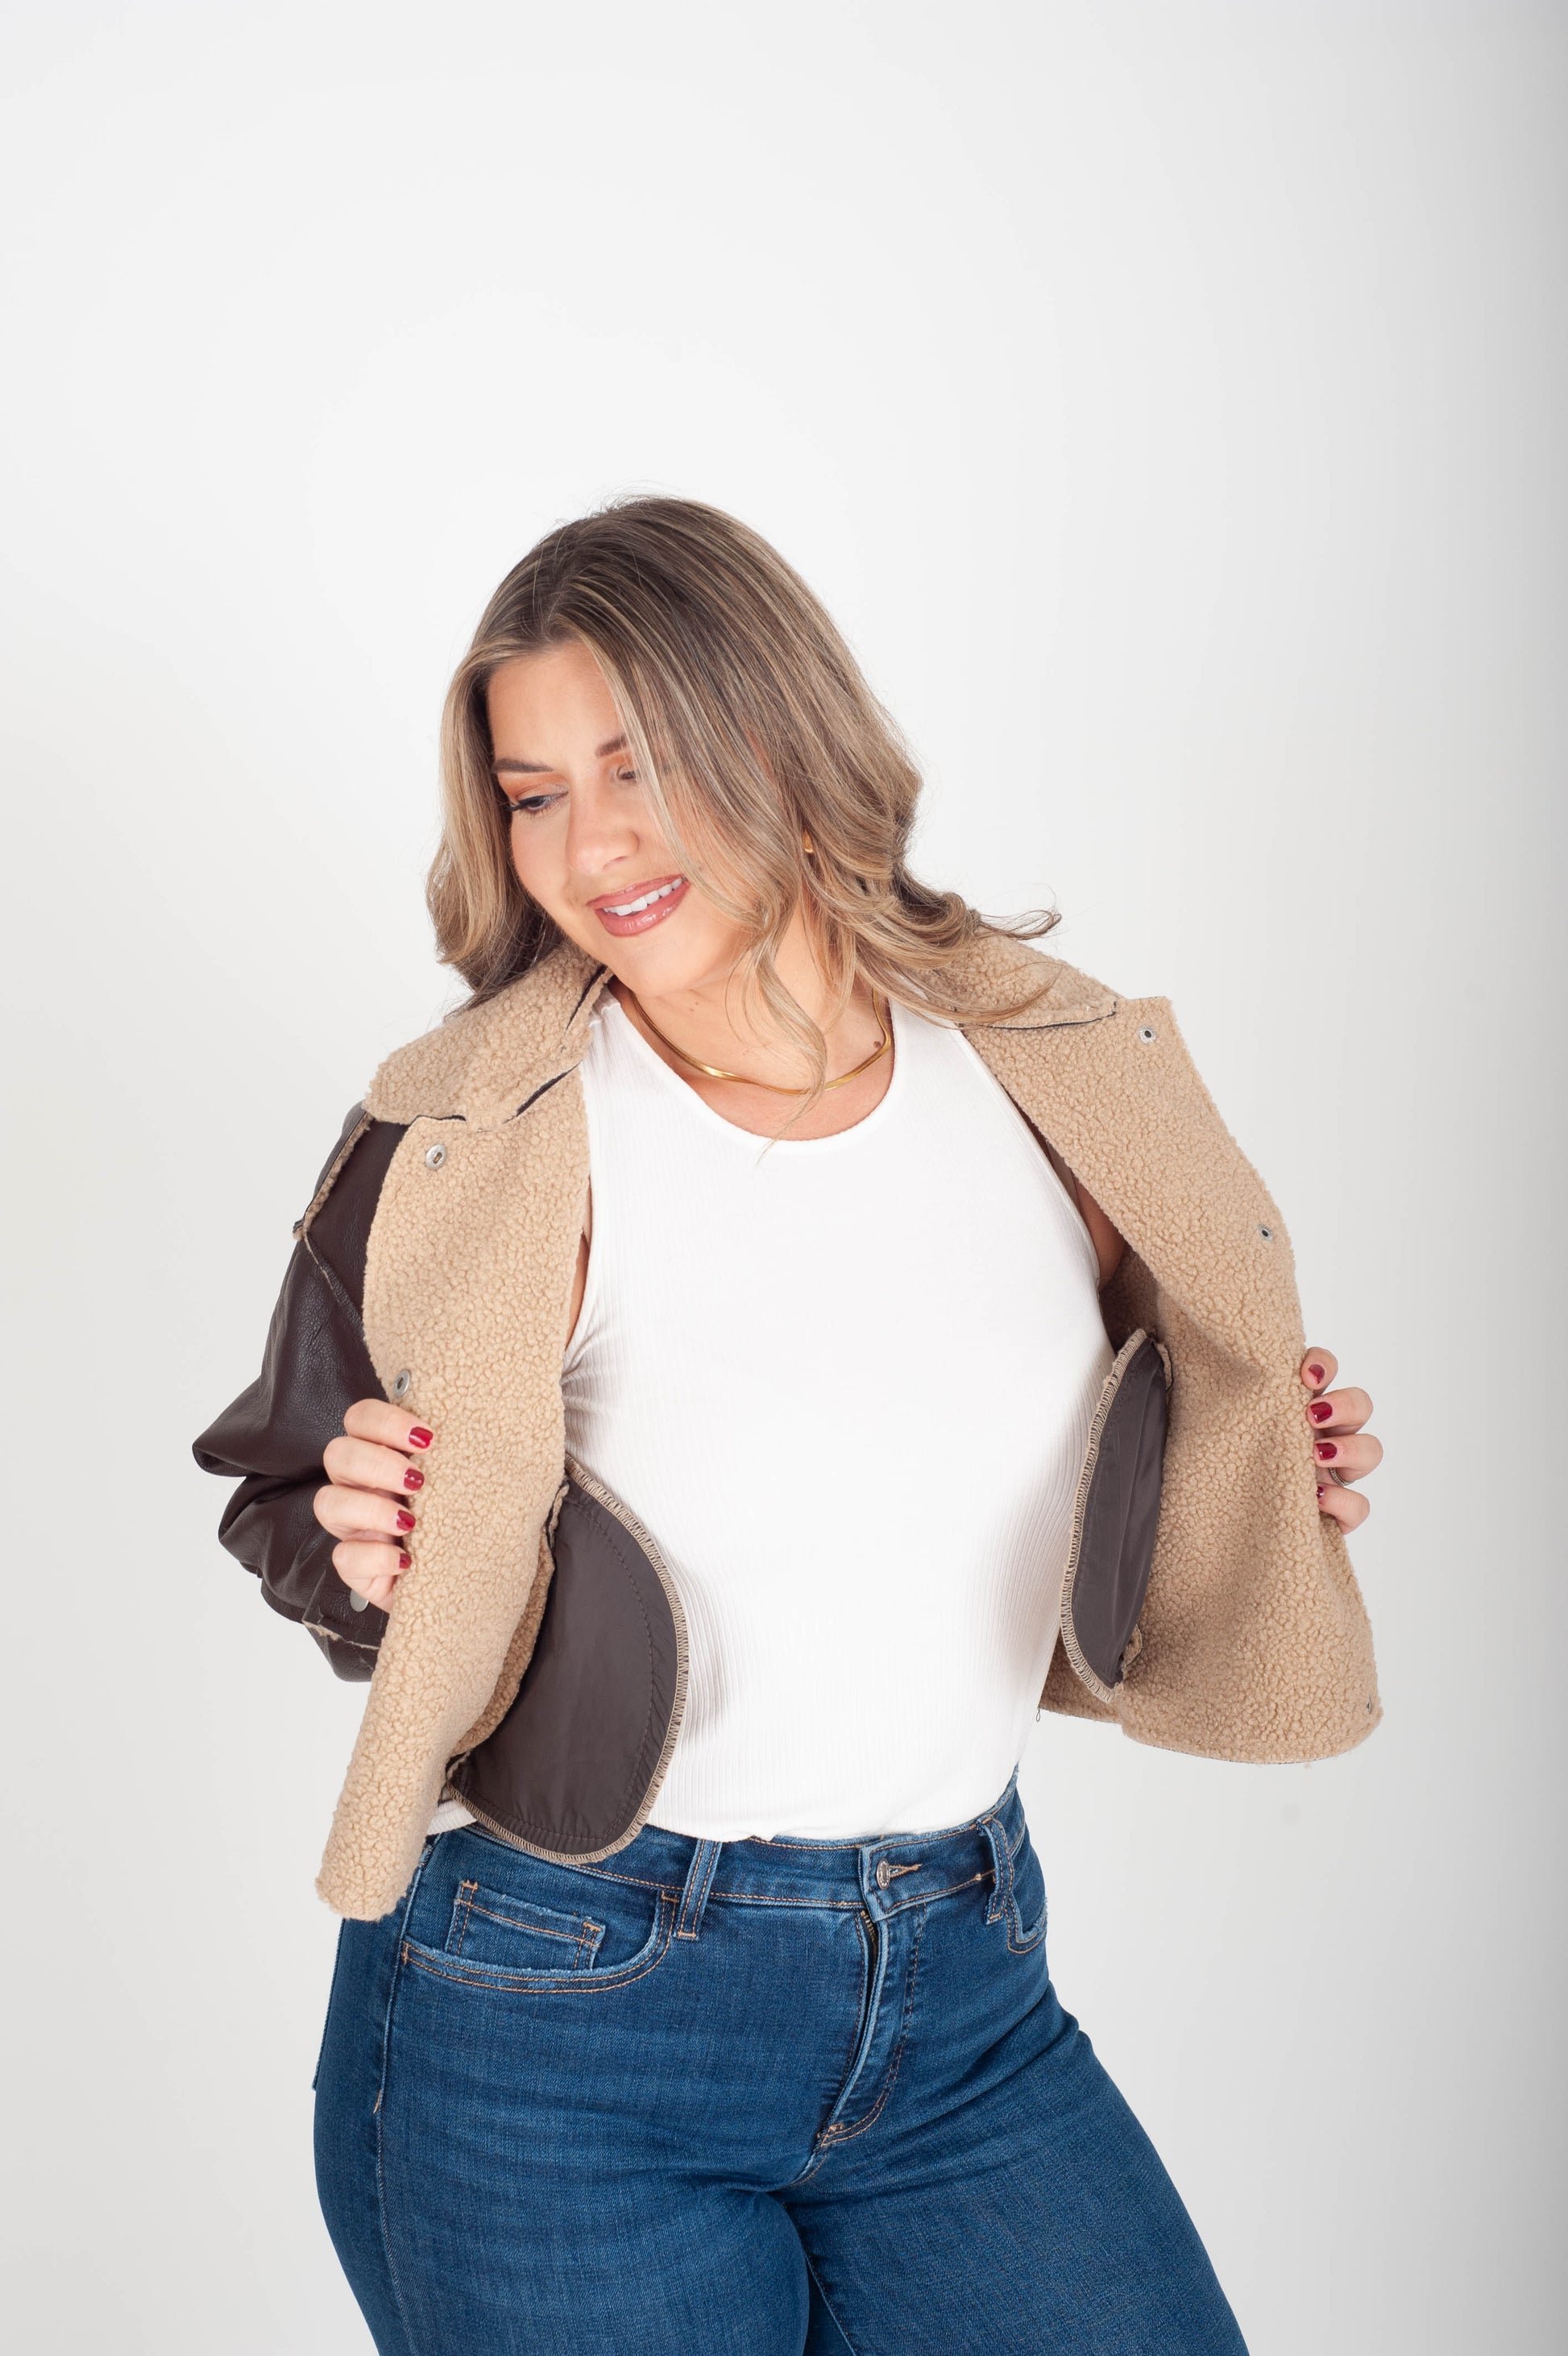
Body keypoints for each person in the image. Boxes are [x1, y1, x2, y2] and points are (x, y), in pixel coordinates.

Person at [194, 496, 1382, 2355]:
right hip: (551, 2010)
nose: (588, 844)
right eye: (530, 793)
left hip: (964, 1987)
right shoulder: (473, 1132)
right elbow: (286, 1478)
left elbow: (1089, 1420)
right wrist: (368, 1560)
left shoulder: (1045, 1067)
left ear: (778, 728)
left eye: (639, 765)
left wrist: (1254, 1475)